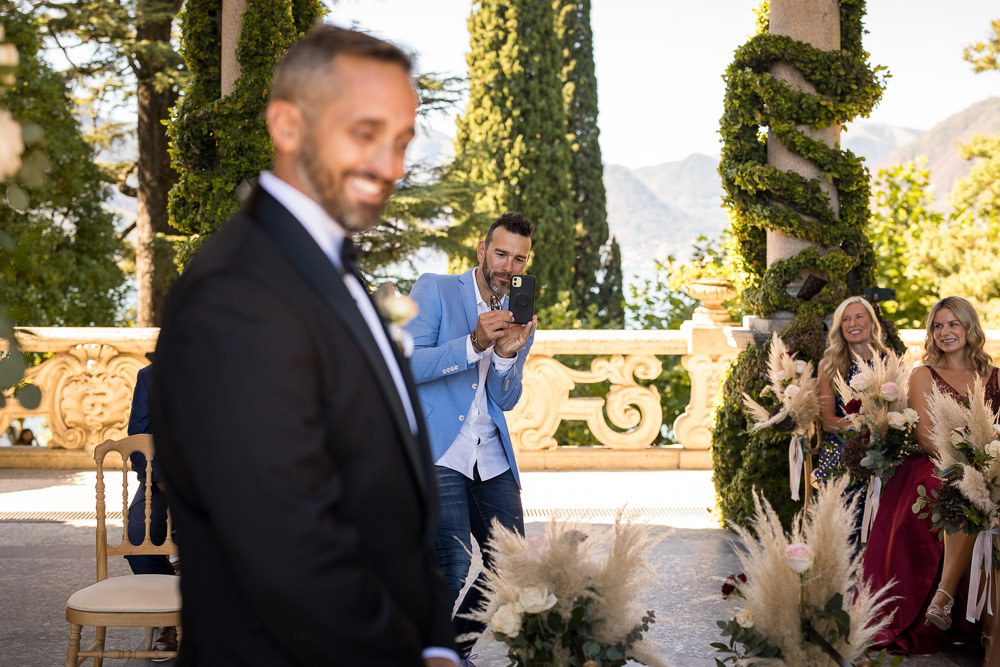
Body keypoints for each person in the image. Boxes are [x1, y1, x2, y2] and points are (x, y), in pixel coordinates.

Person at [150, 25, 457, 667]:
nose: (391, 166)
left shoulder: (325, 271)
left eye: (401, 141)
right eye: (365, 134)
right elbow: (288, 555)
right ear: (287, 126)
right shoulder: (236, 295)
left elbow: (394, 510)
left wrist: (439, 643)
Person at [405, 212, 537, 661]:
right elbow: (405, 365)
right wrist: (474, 344)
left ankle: (449, 654)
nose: (508, 267)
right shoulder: (436, 289)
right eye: (500, 254)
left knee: (512, 566)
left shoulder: (521, 317)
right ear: (482, 251)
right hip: (440, 452)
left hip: (491, 455)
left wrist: (503, 358)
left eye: (519, 259)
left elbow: (507, 398)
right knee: (454, 563)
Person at [863, 296, 996, 653]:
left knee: (982, 488)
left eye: (953, 324)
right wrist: (966, 466)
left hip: (990, 463)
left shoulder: (993, 375)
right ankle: (942, 598)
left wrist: (986, 465)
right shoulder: (924, 374)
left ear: (969, 328)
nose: (945, 332)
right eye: (938, 326)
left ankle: (947, 596)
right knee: (959, 490)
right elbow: (925, 436)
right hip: (938, 462)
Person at [125, 364, 177, 658]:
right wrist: (160, 480)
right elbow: (139, 439)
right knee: (138, 537)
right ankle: (169, 620)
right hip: (162, 483)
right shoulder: (150, 377)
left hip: (223, 483)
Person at [815, 296, 890, 478]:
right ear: (840, 327)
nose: (852, 323)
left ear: (872, 323)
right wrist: (861, 430)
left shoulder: (888, 362)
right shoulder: (829, 365)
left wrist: (877, 436)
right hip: (841, 441)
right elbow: (827, 421)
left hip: (884, 444)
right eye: (846, 319)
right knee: (849, 465)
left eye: (859, 317)